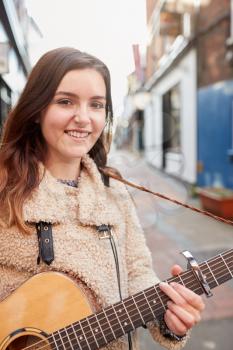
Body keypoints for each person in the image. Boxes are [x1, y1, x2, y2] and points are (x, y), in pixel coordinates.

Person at [0, 47, 204, 350]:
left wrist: (168, 319)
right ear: (37, 109)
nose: (83, 118)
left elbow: (137, 270)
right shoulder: (6, 187)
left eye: (96, 105)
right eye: (65, 101)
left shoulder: (114, 190)